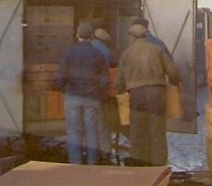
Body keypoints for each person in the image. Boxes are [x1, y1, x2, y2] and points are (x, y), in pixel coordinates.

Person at [114, 23, 180, 166]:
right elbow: (173, 72)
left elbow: (118, 80)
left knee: (137, 131)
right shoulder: (157, 49)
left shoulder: (127, 53)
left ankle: (139, 164)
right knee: (157, 130)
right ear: (145, 36)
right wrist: (175, 85)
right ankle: (158, 165)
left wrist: (121, 92)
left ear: (131, 37)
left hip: (136, 95)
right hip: (157, 94)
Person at [55, 22, 109, 165]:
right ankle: (92, 162)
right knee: (92, 131)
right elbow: (104, 79)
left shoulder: (69, 52)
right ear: (92, 36)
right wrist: (99, 92)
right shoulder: (98, 54)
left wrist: (62, 89)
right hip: (92, 97)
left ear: (77, 35)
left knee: (74, 132)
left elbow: (61, 76)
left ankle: (75, 163)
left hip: (72, 96)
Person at [92, 27, 119, 164]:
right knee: (103, 124)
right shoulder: (107, 52)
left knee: (87, 124)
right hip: (101, 92)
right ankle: (105, 153)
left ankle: (88, 155)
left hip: (83, 91)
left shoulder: (82, 48)